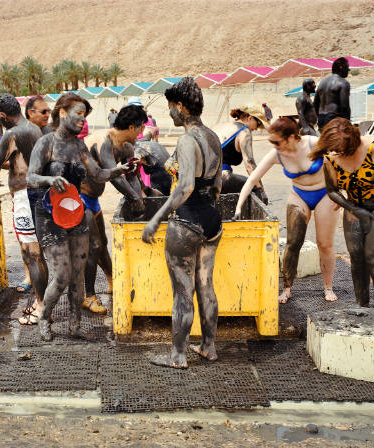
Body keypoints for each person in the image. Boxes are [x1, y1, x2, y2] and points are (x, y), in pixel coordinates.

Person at [27, 93, 134, 341]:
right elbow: (30, 178)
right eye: (78, 114)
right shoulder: (46, 143)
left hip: (75, 213)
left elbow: (96, 174)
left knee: (77, 274)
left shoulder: (79, 145)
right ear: (62, 113)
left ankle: (75, 325)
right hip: (49, 215)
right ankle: (44, 317)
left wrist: (121, 169)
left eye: (84, 115)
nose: (82, 120)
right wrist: (49, 179)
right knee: (62, 275)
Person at [142, 77, 223, 367]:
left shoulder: (188, 140)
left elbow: (185, 185)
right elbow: (216, 186)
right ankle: (208, 347)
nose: (169, 113)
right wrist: (206, 214)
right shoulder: (213, 136)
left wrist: (156, 218)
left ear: (180, 106)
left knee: (183, 291)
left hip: (186, 222)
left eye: (170, 107)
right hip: (212, 222)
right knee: (205, 285)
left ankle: (177, 355)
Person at [234, 117, 340, 303]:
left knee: (324, 243)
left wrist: (339, 192)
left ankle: (328, 287)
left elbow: (340, 159)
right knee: (292, 243)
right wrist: (238, 206)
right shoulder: (277, 154)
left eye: (277, 142)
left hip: (324, 194)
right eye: (271, 142)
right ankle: (287, 289)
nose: (274, 146)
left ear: (292, 137)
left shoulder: (313, 143)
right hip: (299, 194)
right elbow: (252, 179)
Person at [314, 118, 374, 310]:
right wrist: (354, 209)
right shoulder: (331, 156)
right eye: (333, 149)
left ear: (352, 141)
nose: (336, 153)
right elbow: (332, 190)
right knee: (357, 258)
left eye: (340, 149)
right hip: (356, 207)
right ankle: (362, 306)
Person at [0, 93, 48, 324]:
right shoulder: (33, 128)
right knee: (38, 253)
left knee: (31, 253)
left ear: (3, 116)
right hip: (39, 193)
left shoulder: (12, 134)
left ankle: (41, 306)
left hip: (25, 196)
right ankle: (43, 303)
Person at [81, 104, 148, 315]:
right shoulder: (104, 141)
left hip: (93, 199)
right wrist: (134, 198)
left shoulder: (127, 147)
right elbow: (116, 178)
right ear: (130, 127)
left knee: (103, 245)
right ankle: (88, 296)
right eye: (140, 129)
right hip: (77, 198)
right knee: (93, 246)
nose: (142, 133)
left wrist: (142, 196)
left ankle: (112, 281)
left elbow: (132, 177)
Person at [219, 106, 267, 202]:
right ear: (250, 118)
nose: (256, 128)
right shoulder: (244, 132)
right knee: (253, 187)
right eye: (257, 124)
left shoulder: (224, 125)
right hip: (219, 175)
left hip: (203, 175)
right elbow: (249, 164)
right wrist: (261, 190)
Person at [314, 57, 350, 131]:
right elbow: (344, 107)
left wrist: (319, 117)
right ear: (341, 67)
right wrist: (347, 124)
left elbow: (315, 103)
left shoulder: (322, 82)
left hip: (321, 119)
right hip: (334, 119)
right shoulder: (343, 83)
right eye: (347, 68)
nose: (348, 71)